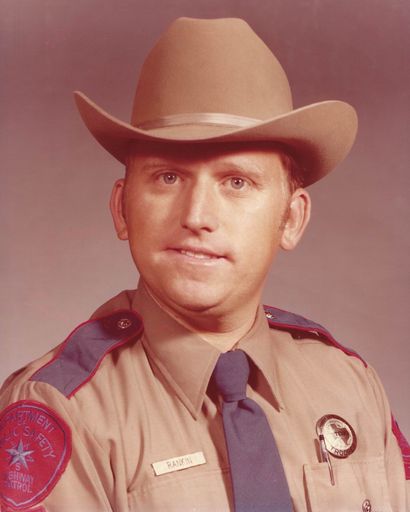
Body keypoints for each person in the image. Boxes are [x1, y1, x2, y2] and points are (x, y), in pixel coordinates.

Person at [0, 17, 408, 512]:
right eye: (168, 177)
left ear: (291, 218)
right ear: (122, 208)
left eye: (236, 182)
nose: (196, 216)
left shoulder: (349, 384)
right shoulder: (60, 411)